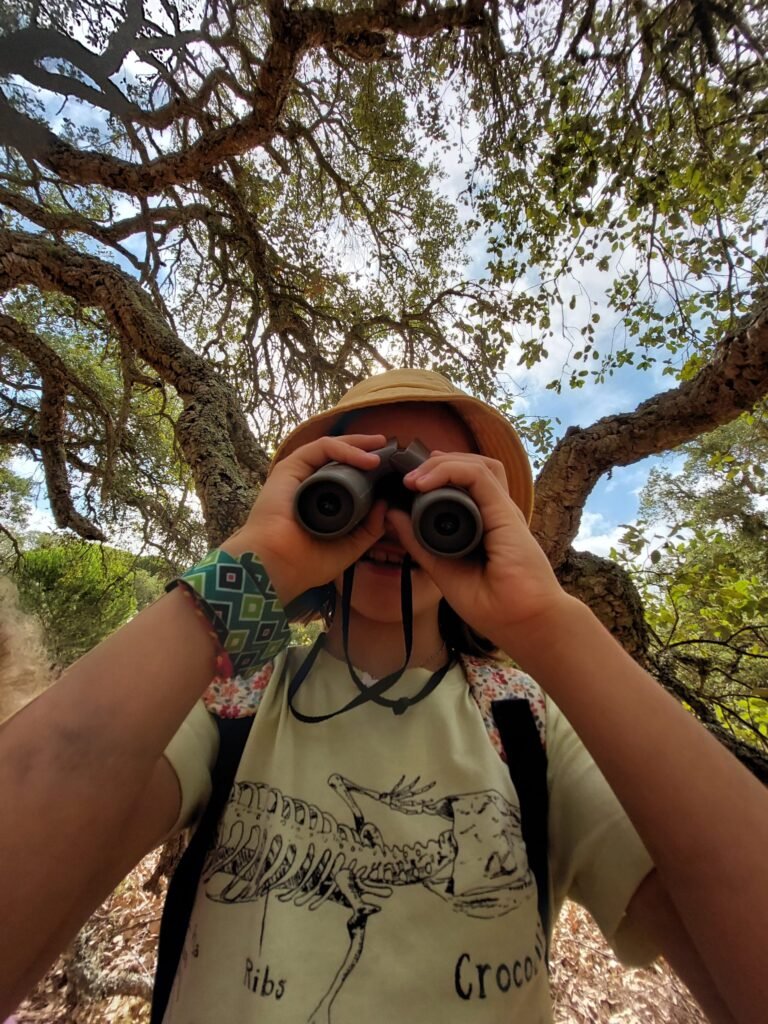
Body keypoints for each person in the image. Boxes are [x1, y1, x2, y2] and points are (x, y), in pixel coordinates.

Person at [0, 369, 766, 1024]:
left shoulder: (529, 722)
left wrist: (548, 624)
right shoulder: (233, 700)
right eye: (365, 479)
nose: (395, 513)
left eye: (438, 487)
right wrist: (254, 565)